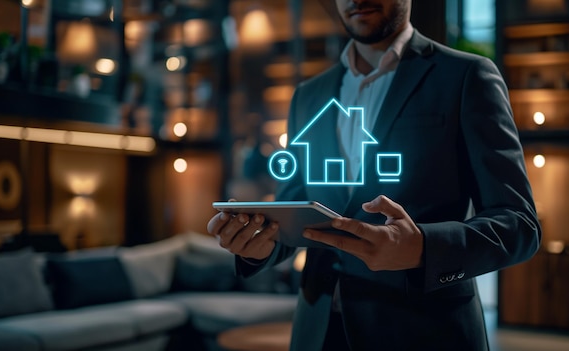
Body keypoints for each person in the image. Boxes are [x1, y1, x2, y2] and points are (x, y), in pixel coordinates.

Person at [207, 0, 541, 350]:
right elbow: (294, 213)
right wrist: (258, 245)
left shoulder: (467, 76)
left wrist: (422, 249)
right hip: (318, 331)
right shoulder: (308, 96)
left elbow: (520, 225)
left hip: (424, 333)